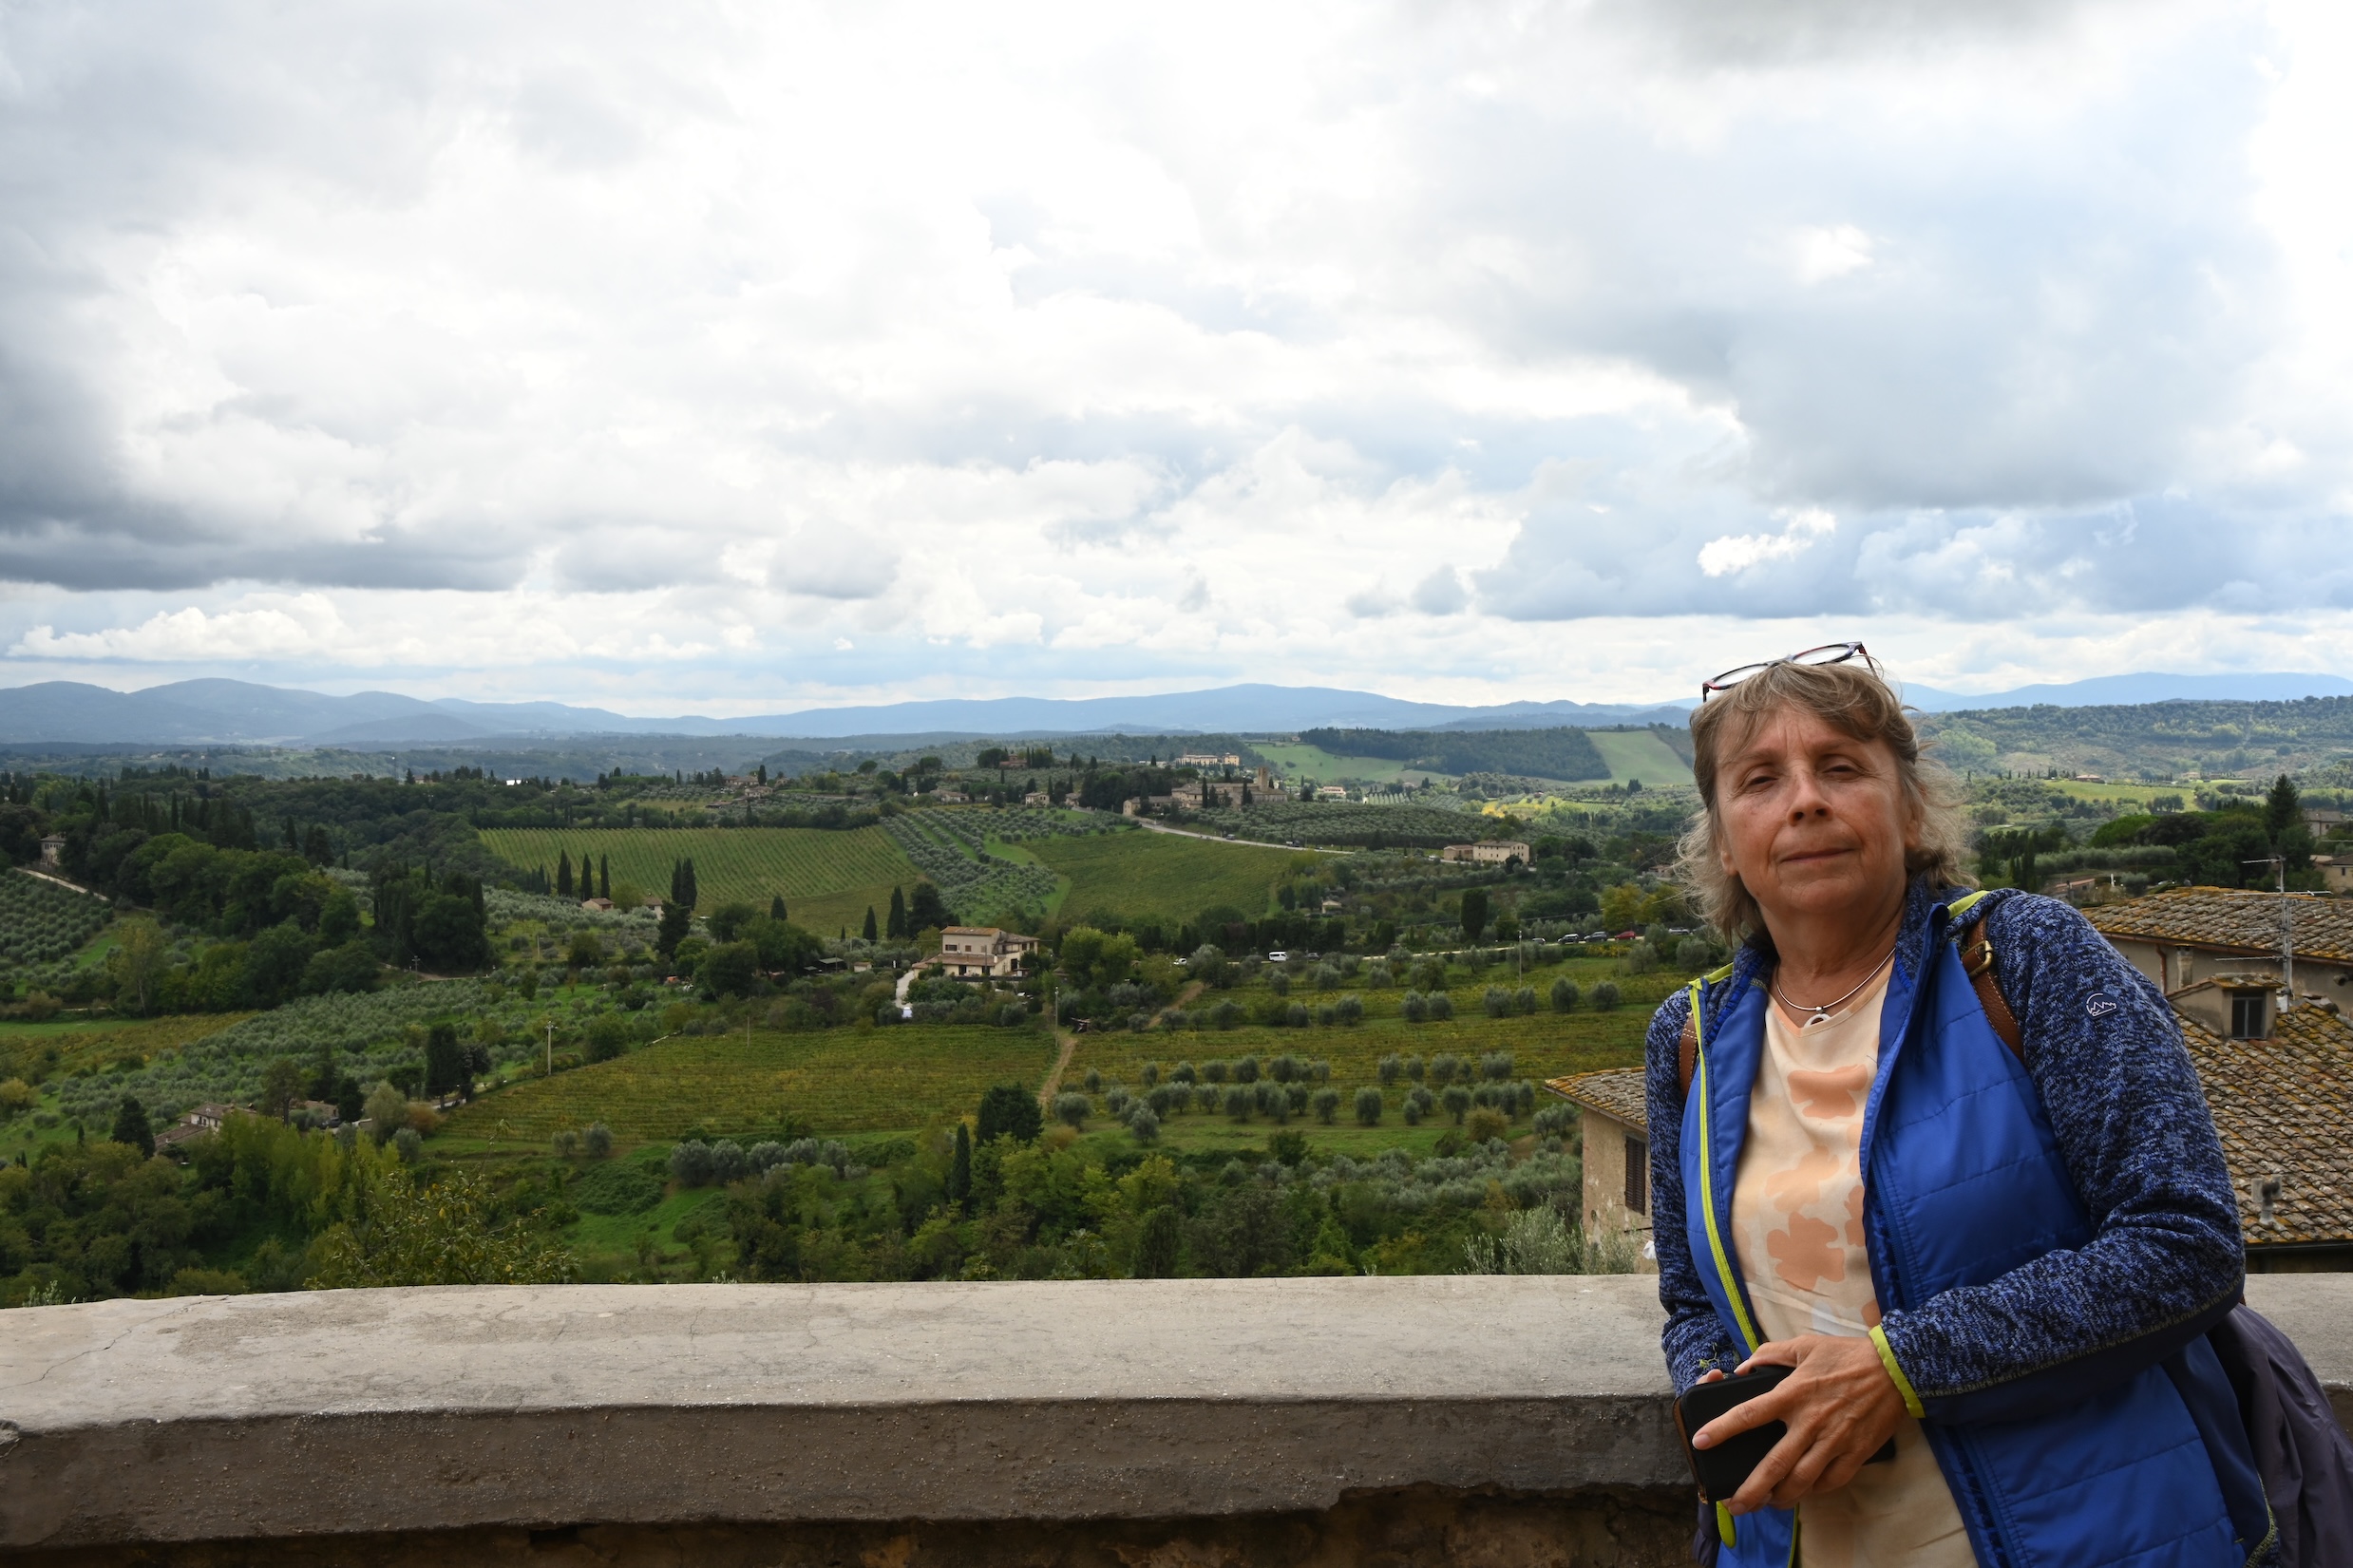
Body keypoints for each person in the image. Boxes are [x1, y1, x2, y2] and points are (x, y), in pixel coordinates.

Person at [1649, 647, 2271, 1567]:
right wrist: (1717, 1391)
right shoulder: (1689, 1037)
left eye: (1839, 767)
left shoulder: (2024, 956)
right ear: (1723, 841)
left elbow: (2185, 1240)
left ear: (1907, 808)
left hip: (2091, 1538)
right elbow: (1690, 1299)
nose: (1804, 800)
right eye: (1759, 779)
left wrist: (1898, 1368)